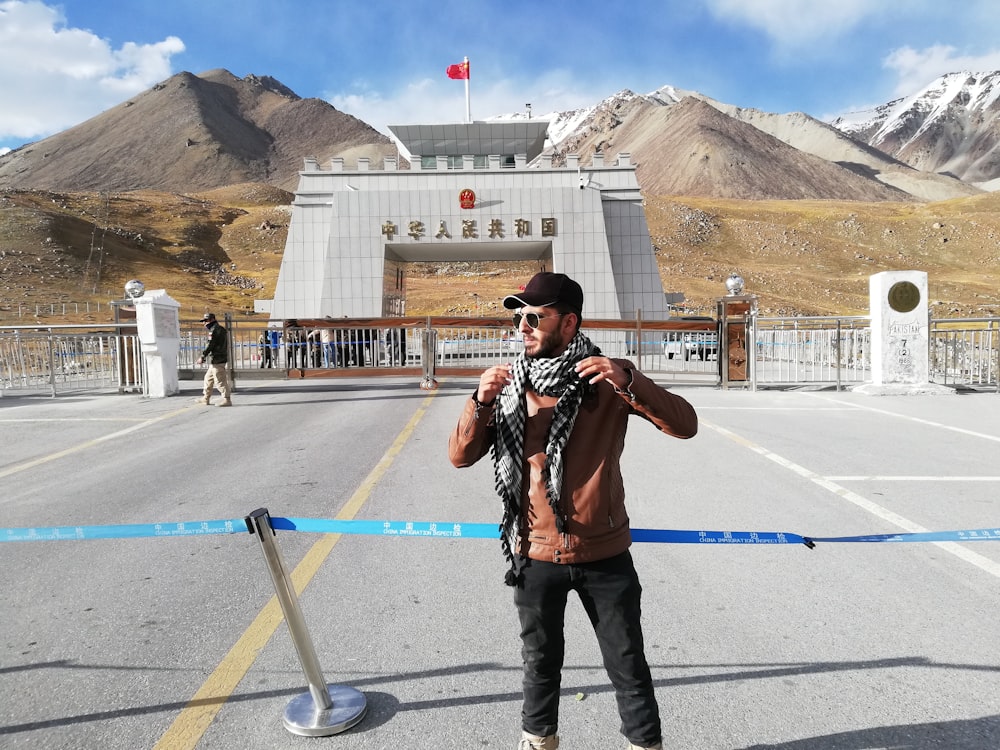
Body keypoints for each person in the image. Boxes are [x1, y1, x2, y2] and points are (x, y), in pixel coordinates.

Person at [448, 272, 698, 750]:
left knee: (628, 662)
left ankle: (645, 744)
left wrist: (630, 381)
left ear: (568, 322)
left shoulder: (607, 378)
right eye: (517, 316)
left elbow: (684, 425)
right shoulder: (507, 385)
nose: (521, 326)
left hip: (603, 553)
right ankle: (539, 742)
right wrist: (479, 402)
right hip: (533, 552)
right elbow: (460, 456)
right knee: (539, 663)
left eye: (533, 316)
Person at [196, 313, 232, 406]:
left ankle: (226, 399)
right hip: (217, 359)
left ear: (212, 320)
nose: (204, 323)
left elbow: (210, 345)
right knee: (208, 378)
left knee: (220, 380)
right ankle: (206, 398)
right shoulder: (221, 329)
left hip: (218, 359)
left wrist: (203, 356)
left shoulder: (214, 330)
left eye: (206, 321)